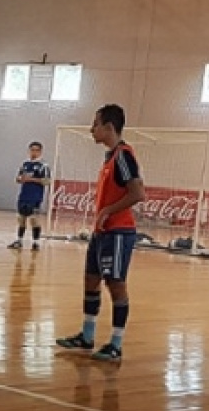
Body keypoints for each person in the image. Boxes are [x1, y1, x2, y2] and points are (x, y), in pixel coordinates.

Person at [56, 104, 145, 362]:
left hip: (118, 232)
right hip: (102, 231)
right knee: (91, 279)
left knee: (115, 284)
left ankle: (116, 344)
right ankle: (87, 336)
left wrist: (108, 210)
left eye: (95, 124)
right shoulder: (110, 157)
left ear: (109, 127)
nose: (91, 129)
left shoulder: (124, 156)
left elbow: (138, 193)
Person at [7, 141, 51, 251]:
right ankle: (19, 241)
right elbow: (18, 178)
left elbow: (47, 181)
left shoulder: (43, 166)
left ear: (40, 152)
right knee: (21, 218)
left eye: (36, 150)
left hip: (35, 196)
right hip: (24, 195)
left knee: (34, 219)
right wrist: (20, 179)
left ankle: (36, 243)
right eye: (32, 150)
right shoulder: (25, 164)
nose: (34, 152)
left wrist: (31, 179)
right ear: (29, 151)